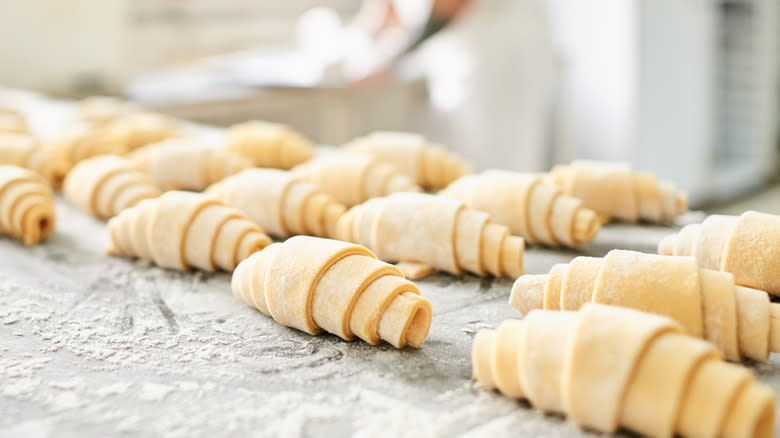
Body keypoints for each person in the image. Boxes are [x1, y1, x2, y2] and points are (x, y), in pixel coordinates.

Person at [343, 0, 558, 171]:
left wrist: (394, 57)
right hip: (466, 43)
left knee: (494, 162)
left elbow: (451, 3)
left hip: (496, 46)